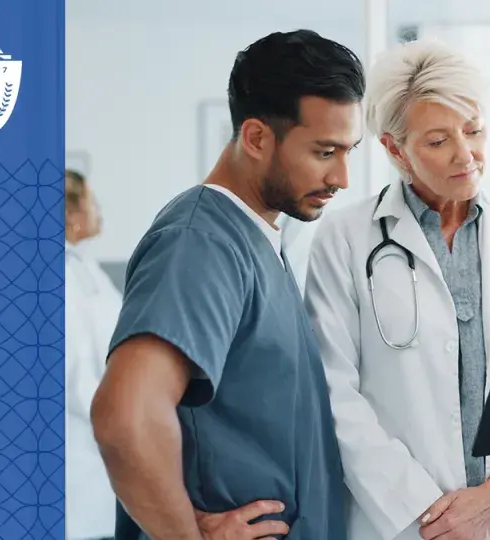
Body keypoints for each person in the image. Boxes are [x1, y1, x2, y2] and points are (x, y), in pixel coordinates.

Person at [89, 29, 365, 540]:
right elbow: (125, 417)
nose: (343, 177)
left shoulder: (258, 239)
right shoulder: (201, 243)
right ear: (257, 137)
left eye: (349, 151)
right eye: (325, 152)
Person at [303, 38, 490, 540]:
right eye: (437, 140)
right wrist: (432, 514)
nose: (464, 154)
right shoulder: (345, 238)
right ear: (393, 148)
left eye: (474, 131)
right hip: (401, 523)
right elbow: (334, 394)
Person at [64, 169, 121, 540]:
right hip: (80, 445)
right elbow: (74, 372)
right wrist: (119, 422)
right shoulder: (60, 275)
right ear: (72, 215)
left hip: (98, 448)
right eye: (92, 202)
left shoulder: (84, 267)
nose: (99, 211)